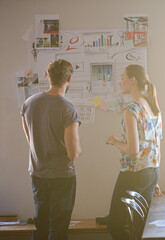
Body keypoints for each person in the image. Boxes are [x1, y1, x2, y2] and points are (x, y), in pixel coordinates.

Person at [21, 59, 82, 240]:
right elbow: (73, 153)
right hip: (62, 177)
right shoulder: (68, 109)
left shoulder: (29, 103)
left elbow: (30, 139)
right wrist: (79, 150)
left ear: (48, 76)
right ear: (69, 78)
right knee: (58, 229)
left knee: (42, 224)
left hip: (37, 174)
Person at [106, 64, 163, 240]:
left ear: (132, 81)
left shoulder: (131, 110)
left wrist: (114, 141)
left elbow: (132, 149)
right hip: (151, 172)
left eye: (123, 78)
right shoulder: (154, 109)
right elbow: (156, 147)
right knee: (140, 228)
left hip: (133, 175)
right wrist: (154, 179)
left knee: (114, 225)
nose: (120, 82)